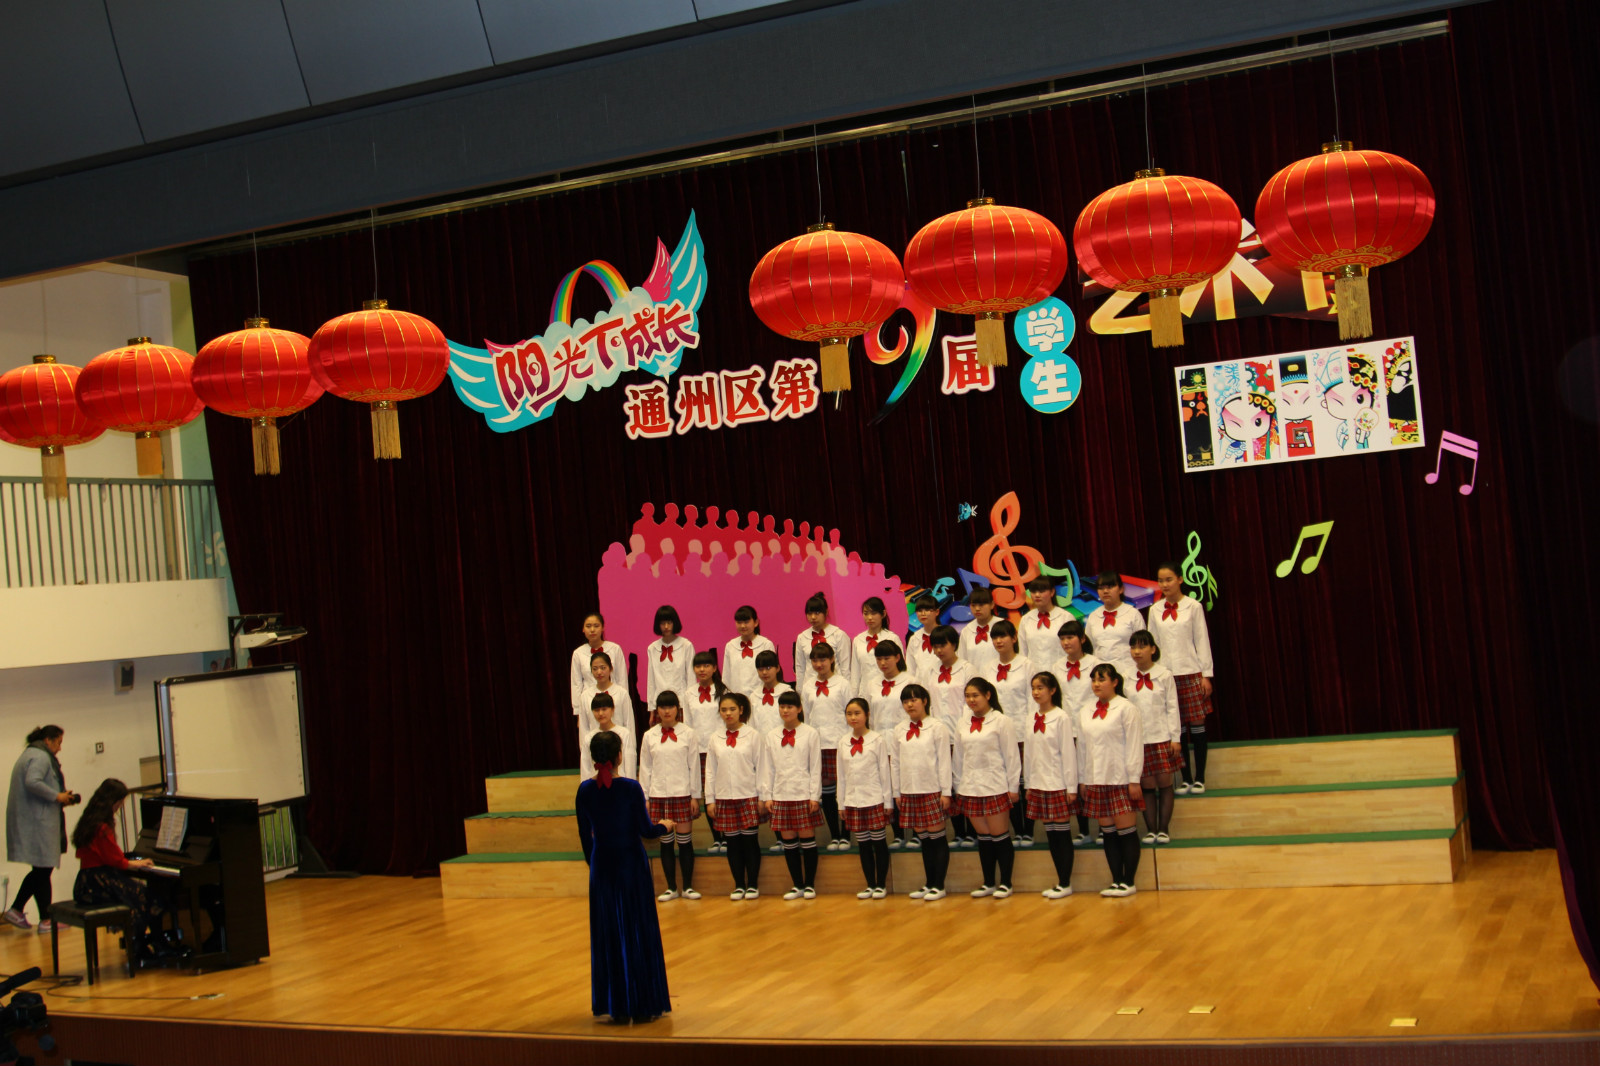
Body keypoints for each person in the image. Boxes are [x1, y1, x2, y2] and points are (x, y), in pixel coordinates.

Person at [576, 730, 674, 1023]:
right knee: (637, 927)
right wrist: (665, 826)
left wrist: (595, 865)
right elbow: (646, 830)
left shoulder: (584, 790)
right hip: (631, 865)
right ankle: (643, 1003)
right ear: (619, 756)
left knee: (608, 931)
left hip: (602, 867)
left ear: (593, 759)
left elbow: (585, 837)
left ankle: (615, 1004)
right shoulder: (631, 788)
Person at [70, 778, 178, 966]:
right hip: (99, 882)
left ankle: (144, 945)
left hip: (87, 880)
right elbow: (116, 860)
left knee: (142, 898)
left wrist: (131, 862)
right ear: (113, 802)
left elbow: (111, 857)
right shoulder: (102, 827)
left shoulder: (89, 820)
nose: (120, 807)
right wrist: (139, 863)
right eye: (120, 802)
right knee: (148, 898)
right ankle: (148, 947)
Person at [1148, 563, 1216, 793]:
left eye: (1169, 579)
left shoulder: (1193, 606)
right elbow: (1153, 644)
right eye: (1161, 580)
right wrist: (1154, 673)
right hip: (1166, 675)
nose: (1164, 584)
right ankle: (1185, 778)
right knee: (1176, 728)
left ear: (1180, 579)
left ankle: (1200, 778)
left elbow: (1201, 640)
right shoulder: (1155, 610)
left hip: (1191, 671)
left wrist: (1206, 674)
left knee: (1196, 723)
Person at [952, 678, 1021, 899]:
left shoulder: (1001, 721)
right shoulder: (962, 723)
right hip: (970, 787)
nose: (971, 700)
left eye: (976, 695)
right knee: (983, 837)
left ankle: (1006, 883)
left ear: (988, 695)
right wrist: (958, 786)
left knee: (1000, 835)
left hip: (995, 785)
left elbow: (1011, 755)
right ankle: (988, 882)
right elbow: (958, 758)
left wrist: (1013, 786)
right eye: (968, 696)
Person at [1079, 664, 1144, 898]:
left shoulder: (1126, 708)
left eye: (1102, 679)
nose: (1096, 684)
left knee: (1126, 831)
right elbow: (1083, 748)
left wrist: (1134, 779)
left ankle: (1129, 881)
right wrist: (1083, 779)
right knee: (1108, 832)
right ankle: (1116, 880)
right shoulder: (1086, 710)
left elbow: (1135, 744)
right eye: (1093, 680)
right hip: (1096, 778)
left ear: (1115, 682)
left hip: (1120, 778)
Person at [5, 725, 74, 932]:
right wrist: (57, 796)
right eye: (59, 742)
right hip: (39, 823)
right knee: (43, 869)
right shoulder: (40, 757)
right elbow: (32, 781)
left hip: (33, 821)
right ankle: (20, 911)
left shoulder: (30, 754)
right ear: (48, 740)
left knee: (42, 870)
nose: (60, 748)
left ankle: (43, 919)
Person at [638, 693, 701, 901]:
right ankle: (671, 888)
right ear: (657, 710)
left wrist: (694, 795)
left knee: (684, 842)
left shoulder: (688, 733)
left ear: (677, 709)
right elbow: (645, 768)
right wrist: (645, 797)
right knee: (666, 842)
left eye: (671, 706)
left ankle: (688, 887)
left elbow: (693, 766)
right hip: (658, 794)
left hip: (683, 793)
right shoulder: (649, 736)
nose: (666, 711)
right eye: (662, 707)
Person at [760, 692, 822, 900]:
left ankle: (810, 884)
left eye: (790, 706)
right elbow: (767, 768)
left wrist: (814, 796)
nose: (785, 710)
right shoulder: (771, 735)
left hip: (803, 793)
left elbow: (815, 766)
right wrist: (768, 795)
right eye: (782, 706)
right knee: (789, 842)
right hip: (780, 794)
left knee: (807, 839)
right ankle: (797, 885)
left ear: (799, 709)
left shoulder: (810, 733)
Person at [705, 693, 766, 900]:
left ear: (741, 710)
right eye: (724, 710)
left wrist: (762, 796)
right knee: (732, 843)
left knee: (749, 842)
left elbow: (762, 767)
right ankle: (739, 884)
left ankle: (753, 884)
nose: (728, 713)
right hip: (724, 797)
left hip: (748, 794)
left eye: (732, 709)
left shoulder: (753, 735)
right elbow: (710, 770)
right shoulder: (715, 738)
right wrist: (710, 799)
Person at [894, 685, 952, 900]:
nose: (910, 705)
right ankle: (929, 883)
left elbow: (944, 761)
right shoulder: (899, 729)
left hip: (932, 789)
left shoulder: (937, 727)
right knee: (924, 840)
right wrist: (897, 792)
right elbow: (896, 763)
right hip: (909, 790)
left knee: (937, 838)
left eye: (914, 700)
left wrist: (946, 791)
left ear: (925, 701)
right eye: (905, 701)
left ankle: (939, 885)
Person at [1026, 673, 1079, 898]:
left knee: (1062, 835)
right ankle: (1060, 881)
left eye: (1041, 688)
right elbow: (1029, 753)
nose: (1036, 692)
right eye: (1033, 688)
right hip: (1039, 783)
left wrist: (1071, 787)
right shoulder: (1031, 717)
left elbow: (1068, 752)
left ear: (1052, 690)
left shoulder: (1061, 717)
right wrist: (1029, 784)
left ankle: (1065, 882)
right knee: (1051, 835)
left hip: (1058, 782)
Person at [982, 620, 1035, 845]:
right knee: (1007, 783)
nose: (999, 641)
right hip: (997, 733)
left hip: (1022, 731)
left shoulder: (1027, 665)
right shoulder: (987, 668)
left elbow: (1033, 699)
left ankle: (1029, 831)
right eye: (995, 637)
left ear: (1014, 638)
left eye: (1003, 636)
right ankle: (1016, 830)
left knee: (1025, 782)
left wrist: (1031, 730)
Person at [1127, 630, 1182, 844]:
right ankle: (1151, 830)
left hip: (1161, 736)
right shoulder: (1126, 677)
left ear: (1153, 649)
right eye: (1133, 647)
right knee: (1147, 786)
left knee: (1164, 783)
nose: (1137, 651)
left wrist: (1175, 737)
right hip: (1139, 740)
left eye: (1142, 646)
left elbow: (1172, 707)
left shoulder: (1164, 675)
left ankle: (1163, 829)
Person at [1054, 619, 1105, 845]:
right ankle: (1083, 830)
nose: (1066, 642)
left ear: (1082, 639)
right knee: (1075, 779)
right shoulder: (1057, 667)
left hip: (1093, 727)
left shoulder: (1096, 664)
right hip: (1068, 730)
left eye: (1070, 637)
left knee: (1096, 776)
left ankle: (1104, 827)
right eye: (1062, 639)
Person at [836, 698, 893, 899]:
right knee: (863, 844)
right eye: (849, 714)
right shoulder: (843, 742)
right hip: (853, 800)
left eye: (857, 713)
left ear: (867, 715)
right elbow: (841, 775)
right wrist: (841, 803)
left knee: (879, 842)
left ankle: (881, 885)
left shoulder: (877, 740)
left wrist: (887, 800)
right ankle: (870, 884)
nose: (853, 717)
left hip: (874, 798)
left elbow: (884, 772)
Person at [926, 626, 976, 847]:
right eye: (935, 646)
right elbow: (928, 703)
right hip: (940, 737)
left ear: (954, 644)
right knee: (947, 784)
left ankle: (972, 831)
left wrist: (963, 730)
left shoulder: (967, 669)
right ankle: (958, 832)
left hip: (962, 735)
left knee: (965, 782)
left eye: (943, 645)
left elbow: (971, 702)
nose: (939, 650)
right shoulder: (930, 670)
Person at [800, 642, 850, 850]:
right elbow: (807, 716)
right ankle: (834, 835)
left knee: (843, 790)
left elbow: (849, 713)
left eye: (823, 659)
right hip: (818, 745)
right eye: (815, 660)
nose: (819, 664)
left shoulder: (843, 684)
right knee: (827, 793)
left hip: (839, 742)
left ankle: (846, 835)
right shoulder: (807, 686)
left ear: (832, 660)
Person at [571, 613, 626, 745]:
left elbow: (622, 679)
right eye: (588, 626)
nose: (592, 630)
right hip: (590, 703)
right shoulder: (578, 653)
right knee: (593, 741)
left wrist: (622, 702)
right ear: (583, 629)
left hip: (613, 701)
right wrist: (579, 713)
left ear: (603, 628)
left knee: (616, 740)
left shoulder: (615, 649)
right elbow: (576, 684)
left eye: (596, 626)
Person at [1085, 573, 1144, 676]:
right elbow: (1089, 648)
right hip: (1102, 676)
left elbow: (1142, 646)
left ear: (1121, 589)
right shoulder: (1093, 616)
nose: (1105, 591)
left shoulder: (1133, 614)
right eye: (1101, 588)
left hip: (1129, 673)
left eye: (1110, 587)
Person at [794, 592, 851, 694]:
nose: (813, 617)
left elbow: (845, 667)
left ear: (826, 612)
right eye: (809, 613)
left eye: (817, 613)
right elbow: (800, 668)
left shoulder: (838, 635)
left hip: (836, 688)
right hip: (811, 688)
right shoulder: (802, 637)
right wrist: (800, 692)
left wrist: (847, 690)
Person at [1018, 576, 1072, 676]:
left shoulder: (1065, 617)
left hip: (1060, 674)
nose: (1037, 595)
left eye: (1042, 591)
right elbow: (1023, 653)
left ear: (1052, 592)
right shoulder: (1026, 619)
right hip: (1034, 676)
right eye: (1033, 591)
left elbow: (1073, 650)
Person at [723, 605, 776, 702]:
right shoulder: (730, 646)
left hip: (759, 698)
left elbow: (771, 675)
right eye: (739, 622)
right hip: (736, 700)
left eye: (746, 622)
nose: (743, 626)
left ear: (756, 622)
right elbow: (726, 677)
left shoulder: (766, 644)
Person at [645, 605, 695, 708]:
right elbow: (651, 680)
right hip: (660, 703)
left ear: (675, 623)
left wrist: (691, 703)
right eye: (662, 623)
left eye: (669, 622)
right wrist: (651, 707)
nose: (666, 626)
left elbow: (691, 677)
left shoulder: (686, 645)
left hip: (681, 703)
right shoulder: (652, 648)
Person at [579, 695, 636, 781]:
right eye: (596, 710)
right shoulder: (589, 737)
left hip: (620, 781)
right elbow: (585, 767)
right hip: (597, 782)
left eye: (604, 709)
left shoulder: (624, 734)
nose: (600, 713)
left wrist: (629, 784)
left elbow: (629, 763)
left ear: (612, 709)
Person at [577, 651, 628, 738]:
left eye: (603, 668)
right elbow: (583, 728)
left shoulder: (622, 693)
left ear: (611, 668)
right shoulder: (585, 696)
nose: (599, 672)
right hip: (595, 743)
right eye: (595, 669)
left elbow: (628, 723)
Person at [850, 597, 892, 697]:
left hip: (887, 692)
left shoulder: (892, 638)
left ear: (883, 614)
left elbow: (900, 669)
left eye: (873, 613)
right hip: (865, 694)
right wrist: (853, 697)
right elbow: (855, 673)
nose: (869, 617)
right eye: (866, 613)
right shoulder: (858, 640)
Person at [958, 588, 1001, 676]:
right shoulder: (966, 630)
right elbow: (962, 660)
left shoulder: (1002, 626)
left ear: (992, 605)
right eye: (973, 605)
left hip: (999, 678)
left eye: (981, 604)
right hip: (974, 680)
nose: (977, 609)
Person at [749, 650, 793, 735]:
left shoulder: (788, 693)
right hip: (760, 741)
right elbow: (751, 725)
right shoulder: (754, 696)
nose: (764, 672)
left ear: (778, 668)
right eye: (760, 669)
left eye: (768, 668)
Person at [905, 594, 943, 682]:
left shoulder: (946, 635)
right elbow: (910, 668)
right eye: (919, 610)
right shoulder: (914, 638)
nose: (923, 614)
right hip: (920, 686)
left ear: (937, 612)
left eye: (927, 610)